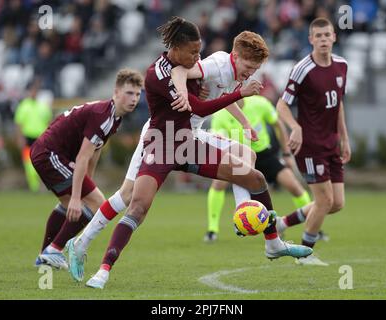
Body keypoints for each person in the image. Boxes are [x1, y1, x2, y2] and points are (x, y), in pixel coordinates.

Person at [68, 17, 312, 289]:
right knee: (131, 200)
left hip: (190, 140)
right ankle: (83, 246)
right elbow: (198, 104)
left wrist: (242, 120)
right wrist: (233, 94)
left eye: (200, 51)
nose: (198, 57)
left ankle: (265, 234)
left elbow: (210, 91)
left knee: (251, 168)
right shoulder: (162, 74)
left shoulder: (200, 67)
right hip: (161, 141)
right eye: (194, 52)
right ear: (177, 47)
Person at [31, 69, 144, 269]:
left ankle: (44, 257)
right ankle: (54, 250)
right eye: (129, 93)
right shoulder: (103, 116)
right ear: (116, 92)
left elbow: (95, 151)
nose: (134, 99)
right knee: (96, 203)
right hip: (50, 154)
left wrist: (86, 183)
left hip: (49, 153)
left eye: (137, 94)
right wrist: (77, 196)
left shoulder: (113, 116)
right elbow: (83, 156)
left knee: (74, 205)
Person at [276, 17, 351, 266]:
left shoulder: (342, 66)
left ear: (334, 37)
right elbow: (281, 105)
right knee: (324, 201)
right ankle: (304, 253)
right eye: (318, 36)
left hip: (331, 143)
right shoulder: (302, 69)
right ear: (310, 40)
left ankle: (282, 223)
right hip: (309, 146)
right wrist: (295, 127)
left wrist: (344, 138)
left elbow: (338, 104)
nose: (323, 40)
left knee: (336, 203)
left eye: (326, 35)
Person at [204, 95, 312, 242]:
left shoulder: (259, 103)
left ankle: (312, 224)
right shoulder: (220, 113)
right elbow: (218, 136)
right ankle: (212, 230)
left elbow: (277, 124)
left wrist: (286, 153)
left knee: (294, 186)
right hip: (238, 156)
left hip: (263, 154)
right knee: (218, 184)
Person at [14, 79, 52, 192]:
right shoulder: (23, 106)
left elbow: (49, 122)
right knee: (28, 165)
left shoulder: (43, 106)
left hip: (40, 139)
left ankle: (41, 186)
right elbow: (19, 124)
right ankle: (34, 187)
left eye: (35, 91)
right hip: (28, 138)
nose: (33, 93)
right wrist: (19, 138)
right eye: (32, 91)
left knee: (41, 163)